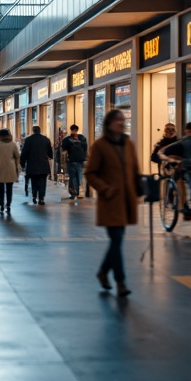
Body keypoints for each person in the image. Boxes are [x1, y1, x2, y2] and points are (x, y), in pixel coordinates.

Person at [85, 109, 139, 298]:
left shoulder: (128, 144)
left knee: (117, 240)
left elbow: (135, 169)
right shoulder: (100, 146)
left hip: (126, 200)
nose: (122, 124)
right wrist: (104, 189)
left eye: (123, 120)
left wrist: (140, 188)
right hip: (110, 200)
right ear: (108, 124)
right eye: (118, 121)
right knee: (117, 239)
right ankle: (120, 282)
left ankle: (102, 272)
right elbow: (90, 173)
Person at [161, 121, 191, 209]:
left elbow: (167, 151)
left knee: (179, 182)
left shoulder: (183, 141)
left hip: (186, 167)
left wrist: (168, 156)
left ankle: (183, 204)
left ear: (186, 130)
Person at [0, 127, 21, 214]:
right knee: (9, 188)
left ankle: (1, 204)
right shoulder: (13, 144)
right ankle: (8, 205)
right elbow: (17, 155)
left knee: (1, 186)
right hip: (10, 167)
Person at [20, 125, 53, 205]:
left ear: (33, 131)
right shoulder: (46, 139)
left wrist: (22, 164)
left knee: (34, 181)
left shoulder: (28, 140)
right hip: (43, 164)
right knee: (42, 181)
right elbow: (50, 152)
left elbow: (24, 153)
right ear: (40, 130)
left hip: (32, 164)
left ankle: (34, 196)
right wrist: (50, 156)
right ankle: (41, 198)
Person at [61, 125, 88, 203]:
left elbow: (63, 150)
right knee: (78, 177)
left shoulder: (67, 139)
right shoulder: (82, 138)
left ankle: (74, 193)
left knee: (73, 178)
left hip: (72, 161)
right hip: (80, 161)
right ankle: (77, 193)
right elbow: (85, 149)